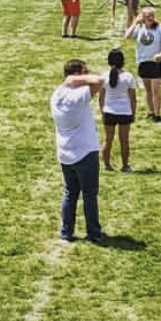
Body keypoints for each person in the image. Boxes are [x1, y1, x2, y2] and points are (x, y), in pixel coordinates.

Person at [50, 59, 106, 244]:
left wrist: (72, 80)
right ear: (76, 75)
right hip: (85, 151)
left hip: (65, 152)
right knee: (89, 194)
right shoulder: (77, 96)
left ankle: (66, 232)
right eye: (84, 71)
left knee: (70, 192)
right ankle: (93, 232)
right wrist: (75, 80)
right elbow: (99, 81)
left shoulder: (57, 95)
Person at [126, 8, 161, 121]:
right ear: (143, 17)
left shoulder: (160, 28)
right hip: (142, 61)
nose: (150, 18)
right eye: (147, 16)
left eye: (152, 15)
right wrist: (135, 23)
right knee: (148, 89)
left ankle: (157, 114)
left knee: (156, 89)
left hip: (156, 62)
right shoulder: (139, 28)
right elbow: (127, 36)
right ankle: (151, 111)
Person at [99, 48, 138, 172]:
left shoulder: (104, 76)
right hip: (124, 112)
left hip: (109, 111)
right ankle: (125, 165)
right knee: (124, 140)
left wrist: (102, 111)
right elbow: (133, 98)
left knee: (107, 139)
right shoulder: (128, 77)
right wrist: (133, 112)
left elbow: (101, 97)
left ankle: (107, 165)